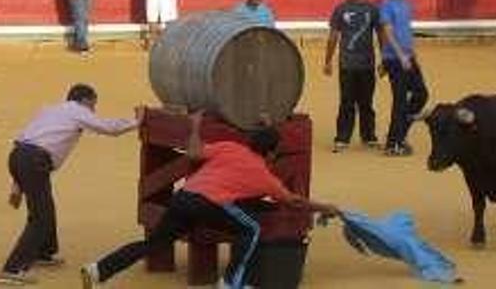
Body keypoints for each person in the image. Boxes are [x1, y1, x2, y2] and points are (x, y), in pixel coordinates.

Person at [80, 111, 340, 289]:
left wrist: (194, 125)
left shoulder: (231, 147)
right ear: (271, 154)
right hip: (208, 204)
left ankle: (97, 269)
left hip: (183, 198)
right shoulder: (264, 176)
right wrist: (326, 207)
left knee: (153, 244)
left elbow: (193, 151)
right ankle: (229, 283)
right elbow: (294, 201)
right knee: (251, 229)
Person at [0, 84, 143, 286]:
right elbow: (109, 128)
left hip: (19, 157)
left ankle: (44, 252)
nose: (93, 110)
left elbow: (25, 141)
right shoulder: (78, 111)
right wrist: (137, 122)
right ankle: (11, 269)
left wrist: (17, 183)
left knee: (44, 208)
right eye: (93, 105)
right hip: (35, 162)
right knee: (41, 217)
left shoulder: (49, 109)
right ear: (84, 100)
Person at [324, 0, 383, 152]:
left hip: (367, 63)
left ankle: (368, 136)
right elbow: (333, 36)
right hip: (347, 64)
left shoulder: (373, 9)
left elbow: (380, 34)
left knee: (366, 102)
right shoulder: (340, 9)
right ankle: (342, 137)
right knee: (347, 102)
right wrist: (328, 61)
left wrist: (385, 59)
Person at [380, 0, 428, 157]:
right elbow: (387, 32)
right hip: (395, 58)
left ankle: (398, 134)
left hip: (408, 56)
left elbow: (406, 31)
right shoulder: (386, 4)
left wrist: (413, 55)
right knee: (400, 99)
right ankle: (393, 143)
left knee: (421, 94)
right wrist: (398, 56)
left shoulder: (407, 3)